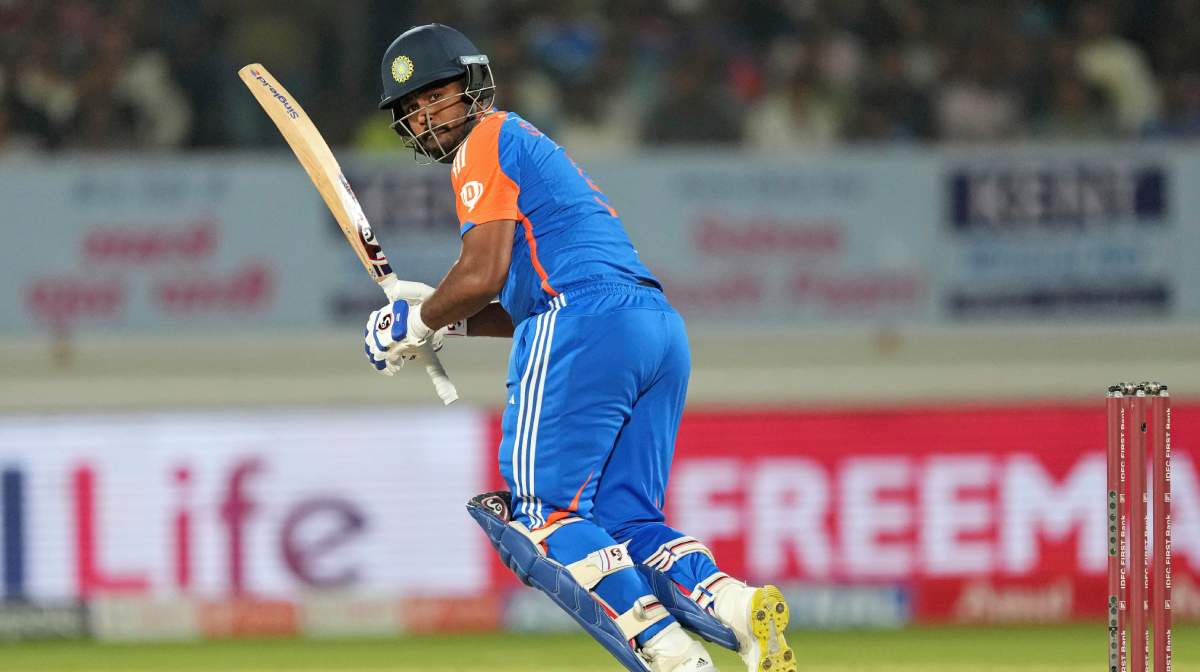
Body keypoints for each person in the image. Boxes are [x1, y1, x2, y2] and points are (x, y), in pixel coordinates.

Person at [361, 23, 794, 672]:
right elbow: (518, 303)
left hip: (586, 320)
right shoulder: (531, 146)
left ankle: (673, 657)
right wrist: (441, 322)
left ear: (472, 85)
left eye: (434, 95)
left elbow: (483, 275)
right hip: (655, 328)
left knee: (540, 513)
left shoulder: (486, 139)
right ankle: (734, 607)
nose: (424, 115)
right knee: (625, 520)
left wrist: (417, 320)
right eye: (411, 109)